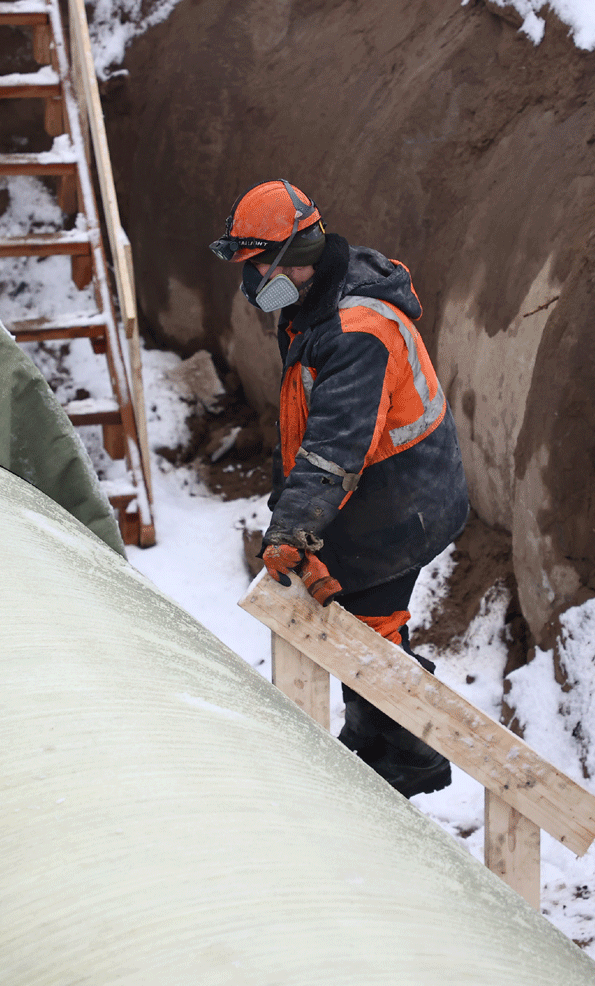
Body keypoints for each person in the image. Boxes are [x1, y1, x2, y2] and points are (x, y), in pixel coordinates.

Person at [210, 179, 470, 797]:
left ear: (292, 258)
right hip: (392, 489)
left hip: (404, 502)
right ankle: (377, 739)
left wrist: (293, 529)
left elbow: (334, 447)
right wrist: (293, 515)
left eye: (254, 267)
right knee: (363, 620)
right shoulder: (316, 298)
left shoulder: (356, 328)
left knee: (363, 625)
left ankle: (413, 755)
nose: (249, 284)